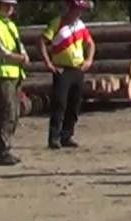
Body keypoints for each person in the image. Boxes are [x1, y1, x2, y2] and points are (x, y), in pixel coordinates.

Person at [40, 0, 96, 150]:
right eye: (76, 10)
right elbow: (41, 41)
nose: (78, 13)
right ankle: (54, 137)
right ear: (69, 9)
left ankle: (67, 135)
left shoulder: (80, 25)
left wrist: (89, 60)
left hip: (78, 68)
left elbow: (90, 43)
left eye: (80, 11)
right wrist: (48, 63)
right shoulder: (57, 23)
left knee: (75, 103)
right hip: (62, 69)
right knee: (59, 103)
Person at [0, 0, 30, 166]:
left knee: (14, 112)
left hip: (15, 73)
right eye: (6, 5)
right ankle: (2, 151)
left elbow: (18, 45)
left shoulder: (10, 25)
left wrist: (23, 56)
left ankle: (6, 148)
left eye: (12, 5)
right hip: (0, 74)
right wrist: (19, 58)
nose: (9, 8)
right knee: (6, 112)